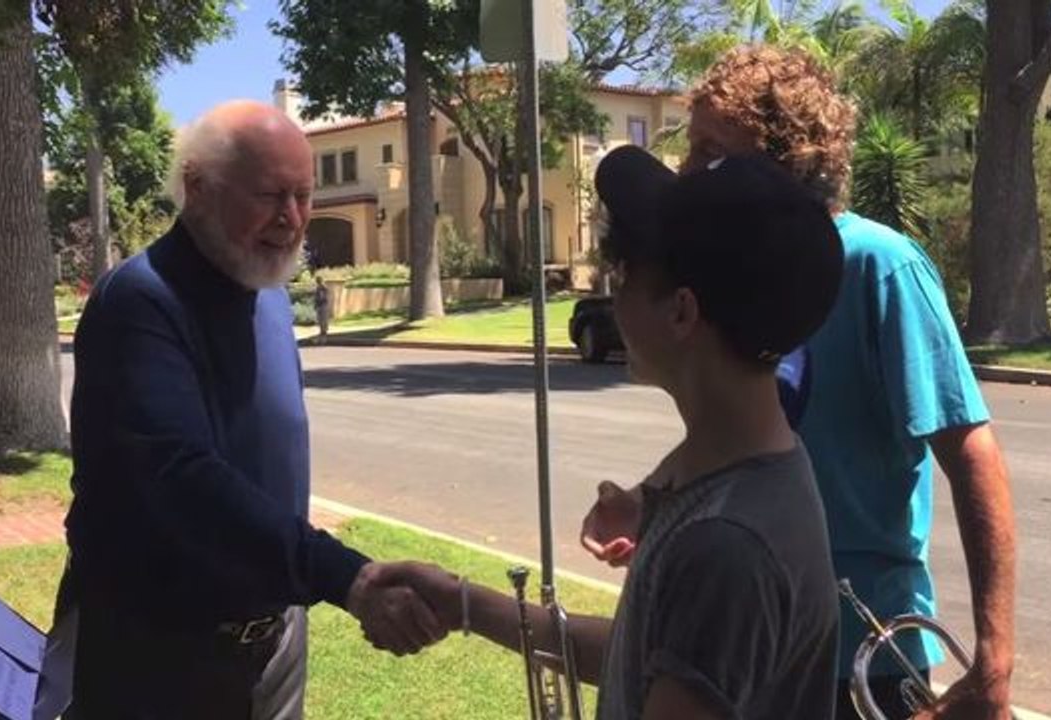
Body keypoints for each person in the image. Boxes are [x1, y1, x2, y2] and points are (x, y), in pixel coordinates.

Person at [581, 46, 1017, 720]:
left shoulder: (880, 266)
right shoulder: (727, 271)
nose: (688, 172)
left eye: (711, 151)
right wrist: (651, 507)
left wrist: (995, 655)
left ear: (786, 162)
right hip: (752, 630)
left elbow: (971, 453)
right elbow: (743, 429)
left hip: (862, 649)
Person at [391, 148, 846, 719]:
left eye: (625, 273)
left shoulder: (726, 546)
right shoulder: (745, 472)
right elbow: (652, 661)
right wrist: (466, 605)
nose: (615, 294)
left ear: (682, 313)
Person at [51, 100, 445, 719]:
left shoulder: (267, 291)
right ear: (197, 187)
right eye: (269, 196)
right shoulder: (138, 302)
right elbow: (179, 478)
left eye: (304, 196)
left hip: (276, 640)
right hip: (157, 657)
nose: (291, 219)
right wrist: (345, 575)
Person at [313, 275, 330, 342]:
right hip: (320, 305)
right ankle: (322, 331)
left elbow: (322, 297)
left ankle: (324, 332)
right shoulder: (319, 287)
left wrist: (318, 303)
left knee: (323, 319)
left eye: (318, 280)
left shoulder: (322, 287)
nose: (317, 281)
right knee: (320, 319)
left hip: (323, 305)